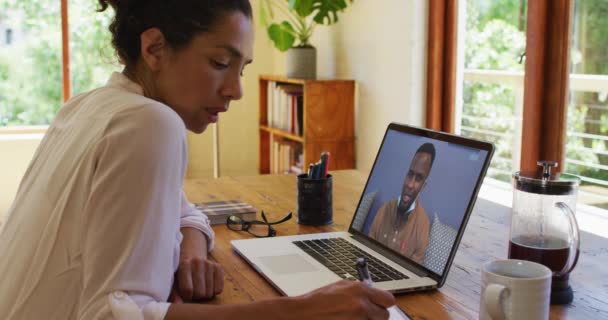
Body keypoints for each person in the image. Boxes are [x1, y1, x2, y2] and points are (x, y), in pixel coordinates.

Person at [0, 1, 395, 319]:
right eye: (221, 64)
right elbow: (111, 314)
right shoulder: (150, 123)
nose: (236, 91)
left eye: (242, 69)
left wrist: (190, 250)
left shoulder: (90, 106)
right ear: (154, 48)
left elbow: (182, 208)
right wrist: (304, 309)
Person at [368, 143, 436, 264]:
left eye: (418, 178)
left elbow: (413, 274)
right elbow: (367, 251)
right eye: (410, 175)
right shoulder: (384, 209)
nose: (410, 184)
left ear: (423, 186)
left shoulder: (422, 226)